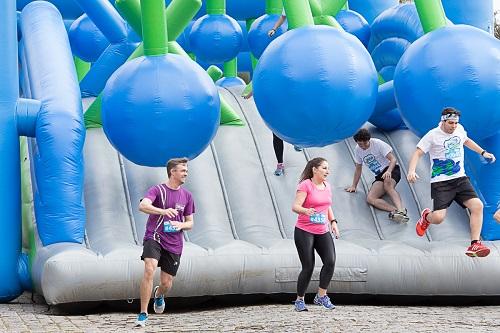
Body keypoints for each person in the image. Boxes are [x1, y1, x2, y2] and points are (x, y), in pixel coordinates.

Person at [407, 107, 496, 257]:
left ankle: (475, 244)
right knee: (439, 218)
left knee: (477, 206)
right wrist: (411, 170)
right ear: (443, 121)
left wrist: (483, 152)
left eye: (455, 123)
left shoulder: (459, 129)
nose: (453, 126)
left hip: (460, 178)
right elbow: (418, 152)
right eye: (450, 123)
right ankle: (426, 217)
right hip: (441, 182)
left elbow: (466, 141)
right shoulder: (432, 135)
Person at [135, 158, 195, 327]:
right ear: (172, 172)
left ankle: (159, 294)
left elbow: (190, 222)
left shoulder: (187, 196)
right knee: (149, 269)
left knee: (166, 283)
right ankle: (143, 313)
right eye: (183, 170)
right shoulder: (157, 190)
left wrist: (181, 224)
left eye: (186, 171)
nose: (186, 173)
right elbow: (143, 206)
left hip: (174, 243)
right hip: (154, 236)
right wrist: (162, 211)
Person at [292, 157, 340, 312]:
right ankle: (299, 300)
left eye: (328, 168)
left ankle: (321, 296)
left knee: (330, 261)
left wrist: (333, 222)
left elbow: (327, 206)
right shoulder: (305, 185)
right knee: (308, 266)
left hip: (322, 230)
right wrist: (306, 210)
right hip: (304, 231)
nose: (328, 171)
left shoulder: (327, 186)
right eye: (324, 168)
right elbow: (295, 206)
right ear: (315, 169)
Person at [345, 128, 409, 223]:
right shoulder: (358, 150)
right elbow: (358, 168)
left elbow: (393, 159)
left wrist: (389, 171)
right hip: (379, 175)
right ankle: (396, 211)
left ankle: (401, 209)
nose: (362, 146)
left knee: (387, 185)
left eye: (364, 144)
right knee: (370, 198)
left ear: (368, 140)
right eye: (359, 144)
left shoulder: (378, 144)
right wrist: (354, 186)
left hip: (391, 169)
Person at [243, 89, 301, 176]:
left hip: (287, 104)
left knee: (291, 125)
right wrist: (251, 93)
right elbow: (261, 80)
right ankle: (280, 164)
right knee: (277, 135)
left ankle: (296, 142)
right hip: (275, 109)